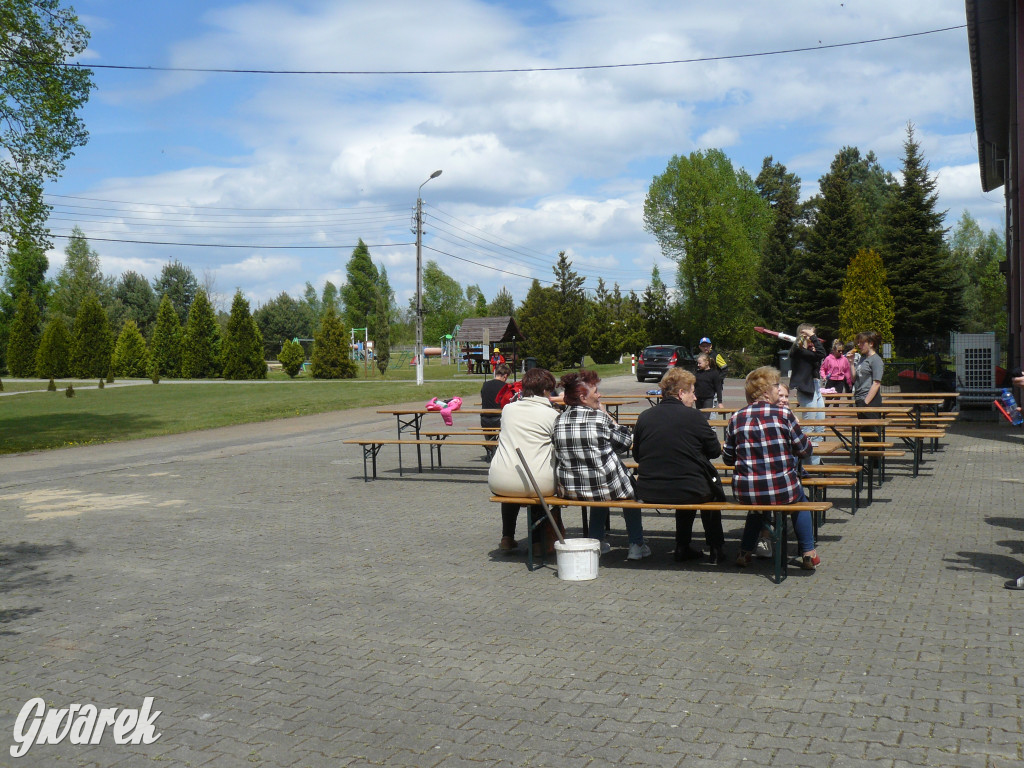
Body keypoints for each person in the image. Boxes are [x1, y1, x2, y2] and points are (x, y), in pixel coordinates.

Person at [723, 366, 821, 571]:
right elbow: (804, 450)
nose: (779, 388)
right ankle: (808, 552)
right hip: (782, 488)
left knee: (757, 506)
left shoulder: (736, 417)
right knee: (800, 500)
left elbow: (727, 459)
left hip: (745, 490)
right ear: (766, 391)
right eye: (776, 385)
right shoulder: (784, 414)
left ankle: (745, 551)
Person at [552, 369, 650, 560]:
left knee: (598, 483)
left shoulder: (558, 420)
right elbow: (625, 443)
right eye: (595, 391)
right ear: (582, 396)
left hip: (571, 488)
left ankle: (596, 540)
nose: (599, 395)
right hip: (604, 485)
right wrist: (606, 413)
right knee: (626, 490)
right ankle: (636, 544)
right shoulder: (599, 418)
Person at [632, 368, 725, 564]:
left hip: (650, 489)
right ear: (681, 393)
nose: (695, 396)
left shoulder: (645, 416)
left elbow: (637, 455)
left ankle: (682, 546)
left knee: (687, 482)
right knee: (709, 490)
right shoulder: (695, 417)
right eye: (692, 391)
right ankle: (716, 548)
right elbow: (715, 451)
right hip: (689, 488)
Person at [487, 367, 560, 553]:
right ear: (545, 391)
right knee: (536, 480)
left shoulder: (509, 410)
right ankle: (536, 542)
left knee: (514, 477)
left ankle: (507, 536)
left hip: (499, 479)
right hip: (537, 482)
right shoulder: (552, 415)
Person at [789, 323, 826, 465]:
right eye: (812, 334)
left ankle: (814, 463)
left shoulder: (809, 351)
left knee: (819, 427)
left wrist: (813, 344)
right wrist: (813, 339)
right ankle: (802, 464)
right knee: (808, 427)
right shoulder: (798, 351)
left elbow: (820, 356)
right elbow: (821, 354)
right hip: (806, 390)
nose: (814, 338)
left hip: (816, 388)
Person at [480, 363, 511, 461]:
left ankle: (491, 448)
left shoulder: (485, 385)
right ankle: (500, 451)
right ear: (505, 376)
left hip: (484, 420)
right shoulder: (506, 387)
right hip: (499, 420)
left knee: (489, 432)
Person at [853, 330, 884, 410]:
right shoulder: (862, 359)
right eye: (858, 342)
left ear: (871, 344)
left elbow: (876, 383)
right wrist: (850, 363)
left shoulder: (876, 360)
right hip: (859, 398)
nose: (859, 345)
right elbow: (853, 379)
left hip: (870, 401)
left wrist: (865, 403)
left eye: (862, 343)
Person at [697, 336, 726, 403]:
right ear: (700, 347)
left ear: (711, 346)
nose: (705, 348)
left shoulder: (716, 356)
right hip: (703, 388)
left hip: (714, 387)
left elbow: (725, 369)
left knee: (711, 408)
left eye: (707, 345)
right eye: (703, 346)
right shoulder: (699, 356)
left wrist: (718, 379)